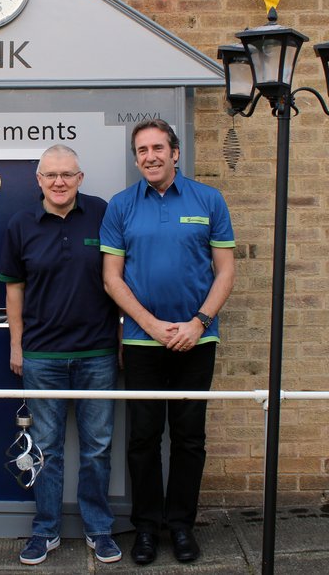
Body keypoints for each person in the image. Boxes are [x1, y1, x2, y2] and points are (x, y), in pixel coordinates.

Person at [100, 119, 235, 566]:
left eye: (158, 147)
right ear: (136, 157)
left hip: (198, 339)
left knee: (189, 436)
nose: (150, 156)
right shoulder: (121, 206)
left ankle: (180, 526)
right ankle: (146, 528)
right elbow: (112, 279)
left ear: (175, 153)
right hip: (142, 342)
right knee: (142, 437)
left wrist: (198, 322)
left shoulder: (208, 200)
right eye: (142, 150)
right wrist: (151, 326)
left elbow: (226, 271)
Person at [0, 144, 122, 565]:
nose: (59, 182)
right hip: (42, 356)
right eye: (50, 175)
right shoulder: (20, 225)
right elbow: (13, 288)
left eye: (67, 174)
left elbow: (119, 276)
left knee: (97, 447)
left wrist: (122, 337)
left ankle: (99, 529)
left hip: (98, 353)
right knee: (44, 448)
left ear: (80, 178)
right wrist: (17, 344)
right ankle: (45, 530)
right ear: (38, 181)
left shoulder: (103, 214)